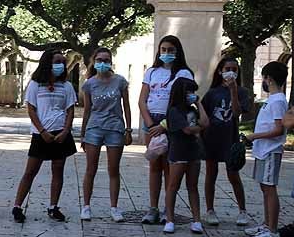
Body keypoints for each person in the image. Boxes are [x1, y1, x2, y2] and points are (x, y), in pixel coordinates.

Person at [12, 49, 77, 223]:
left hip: (60, 133)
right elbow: (31, 109)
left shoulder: (67, 86)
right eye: (57, 62)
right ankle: (17, 206)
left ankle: (53, 207)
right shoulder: (35, 84)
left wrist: (65, 130)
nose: (60, 66)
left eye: (62, 62)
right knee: (30, 171)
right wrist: (42, 131)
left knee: (58, 169)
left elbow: (70, 110)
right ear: (47, 63)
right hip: (41, 134)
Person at [139, 35, 195, 224]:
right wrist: (150, 124)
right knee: (155, 165)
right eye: (163, 49)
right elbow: (142, 100)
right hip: (152, 122)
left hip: (173, 123)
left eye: (171, 50)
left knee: (170, 167)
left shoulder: (184, 74)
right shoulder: (152, 72)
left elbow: (186, 103)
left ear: (177, 51)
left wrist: (166, 125)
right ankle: (152, 208)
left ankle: (167, 209)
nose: (167, 53)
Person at [79, 48, 132, 222]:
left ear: (111, 62)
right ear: (94, 62)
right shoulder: (89, 84)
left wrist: (128, 129)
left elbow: (126, 107)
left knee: (113, 169)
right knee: (90, 169)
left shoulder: (120, 82)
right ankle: (86, 206)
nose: (103, 63)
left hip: (115, 128)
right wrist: (83, 134)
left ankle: (114, 207)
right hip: (94, 128)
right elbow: (87, 110)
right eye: (99, 59)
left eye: (106, 60)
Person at [201, 57, 252, 226]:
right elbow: (203, 115)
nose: (231, 72)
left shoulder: (243, 92)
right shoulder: (212, 93)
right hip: (212, 138)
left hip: (230, 139)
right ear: (220, 71)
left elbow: (237, 112)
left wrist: (233, 91)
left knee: (233, 175)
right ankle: (210, 210)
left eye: (234, 69)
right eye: (227, 68)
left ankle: (243, 211)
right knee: (211, 174)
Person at [245, 61, 288, 237]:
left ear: (268, 78)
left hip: (271, 150)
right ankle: (266, 223)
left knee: (270, 189)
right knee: (265, 187)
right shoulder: (272, 99)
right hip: (263, 151)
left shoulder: (278, 101)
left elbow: (279, 130)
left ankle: (272, 230)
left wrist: (255, 136)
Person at [163, 78, 209, 234]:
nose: (192, 95)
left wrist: (199, 104)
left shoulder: (193, 109)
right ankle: (169, 219)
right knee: (173, 186)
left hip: (194, 152)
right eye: (189, 92)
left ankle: (196, 220)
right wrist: (199, 128)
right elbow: (187, 130)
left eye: (194, 92)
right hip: (178, 152)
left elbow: (205, 122)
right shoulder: (174, 111)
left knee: (193, 186)